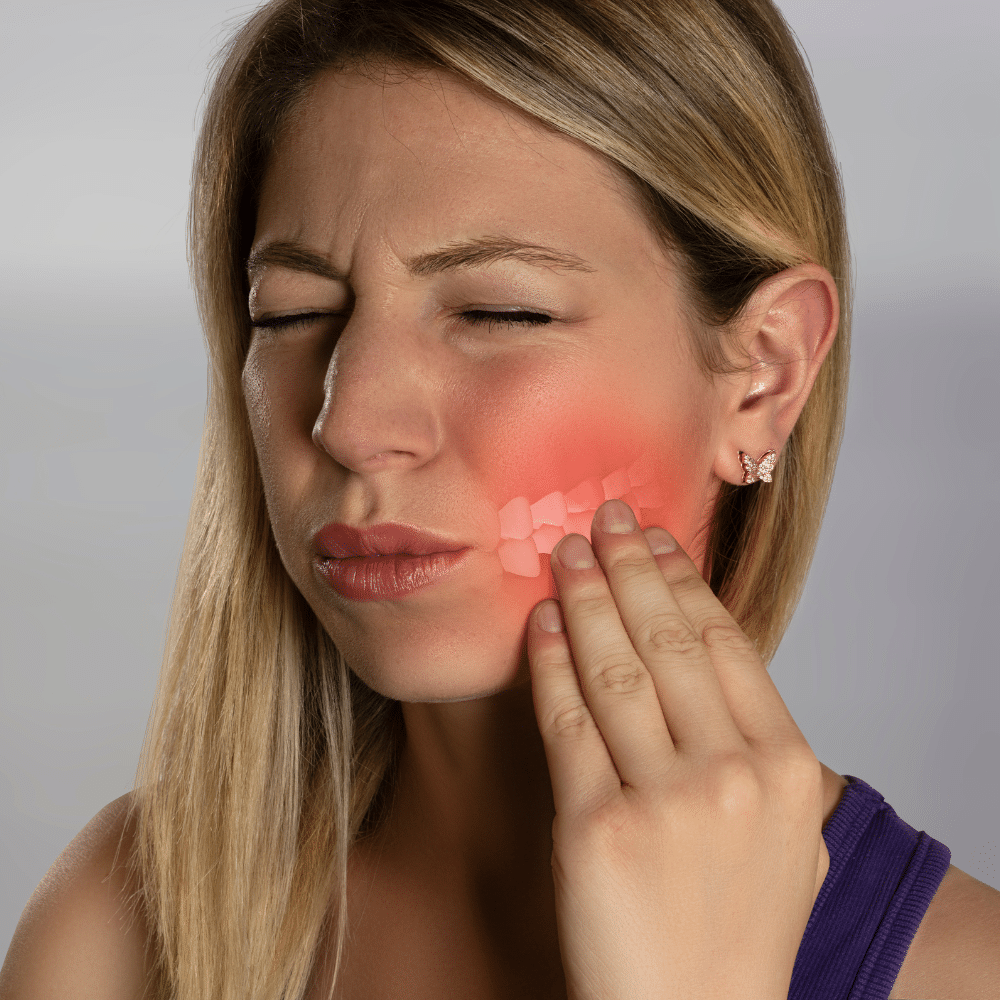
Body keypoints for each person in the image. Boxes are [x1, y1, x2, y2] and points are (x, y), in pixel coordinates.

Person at [2, 1, 998, 998]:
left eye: (497, 309)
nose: (347, 422)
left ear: (764, 374)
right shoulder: (118, 932)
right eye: (292, 314)